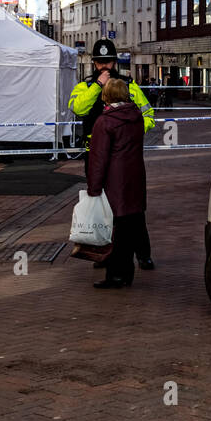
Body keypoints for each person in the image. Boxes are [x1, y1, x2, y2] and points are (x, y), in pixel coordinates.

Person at [69, 39, 155, 270]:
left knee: (133, 208)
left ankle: (143, 254)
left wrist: (130, 133)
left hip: (123, 156)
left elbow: (148, 115)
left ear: (115, 61)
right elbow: (78, 109)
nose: (104, 66)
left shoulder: (128, 85)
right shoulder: (85, 86)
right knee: (101, 207)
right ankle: (104, 252)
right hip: (95, 155)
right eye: (100, 62)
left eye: (108, 62)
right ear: (93, 63)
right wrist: (98, 85)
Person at [85, 78, 147, 289]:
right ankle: (127, 272)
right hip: (134, 178)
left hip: (114, 182)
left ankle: (115, 276)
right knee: (129, 229)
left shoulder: (105, 121)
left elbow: (98, 158)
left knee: (113, 233)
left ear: (107, 95)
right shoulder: (137, 117)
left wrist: (94, 187)